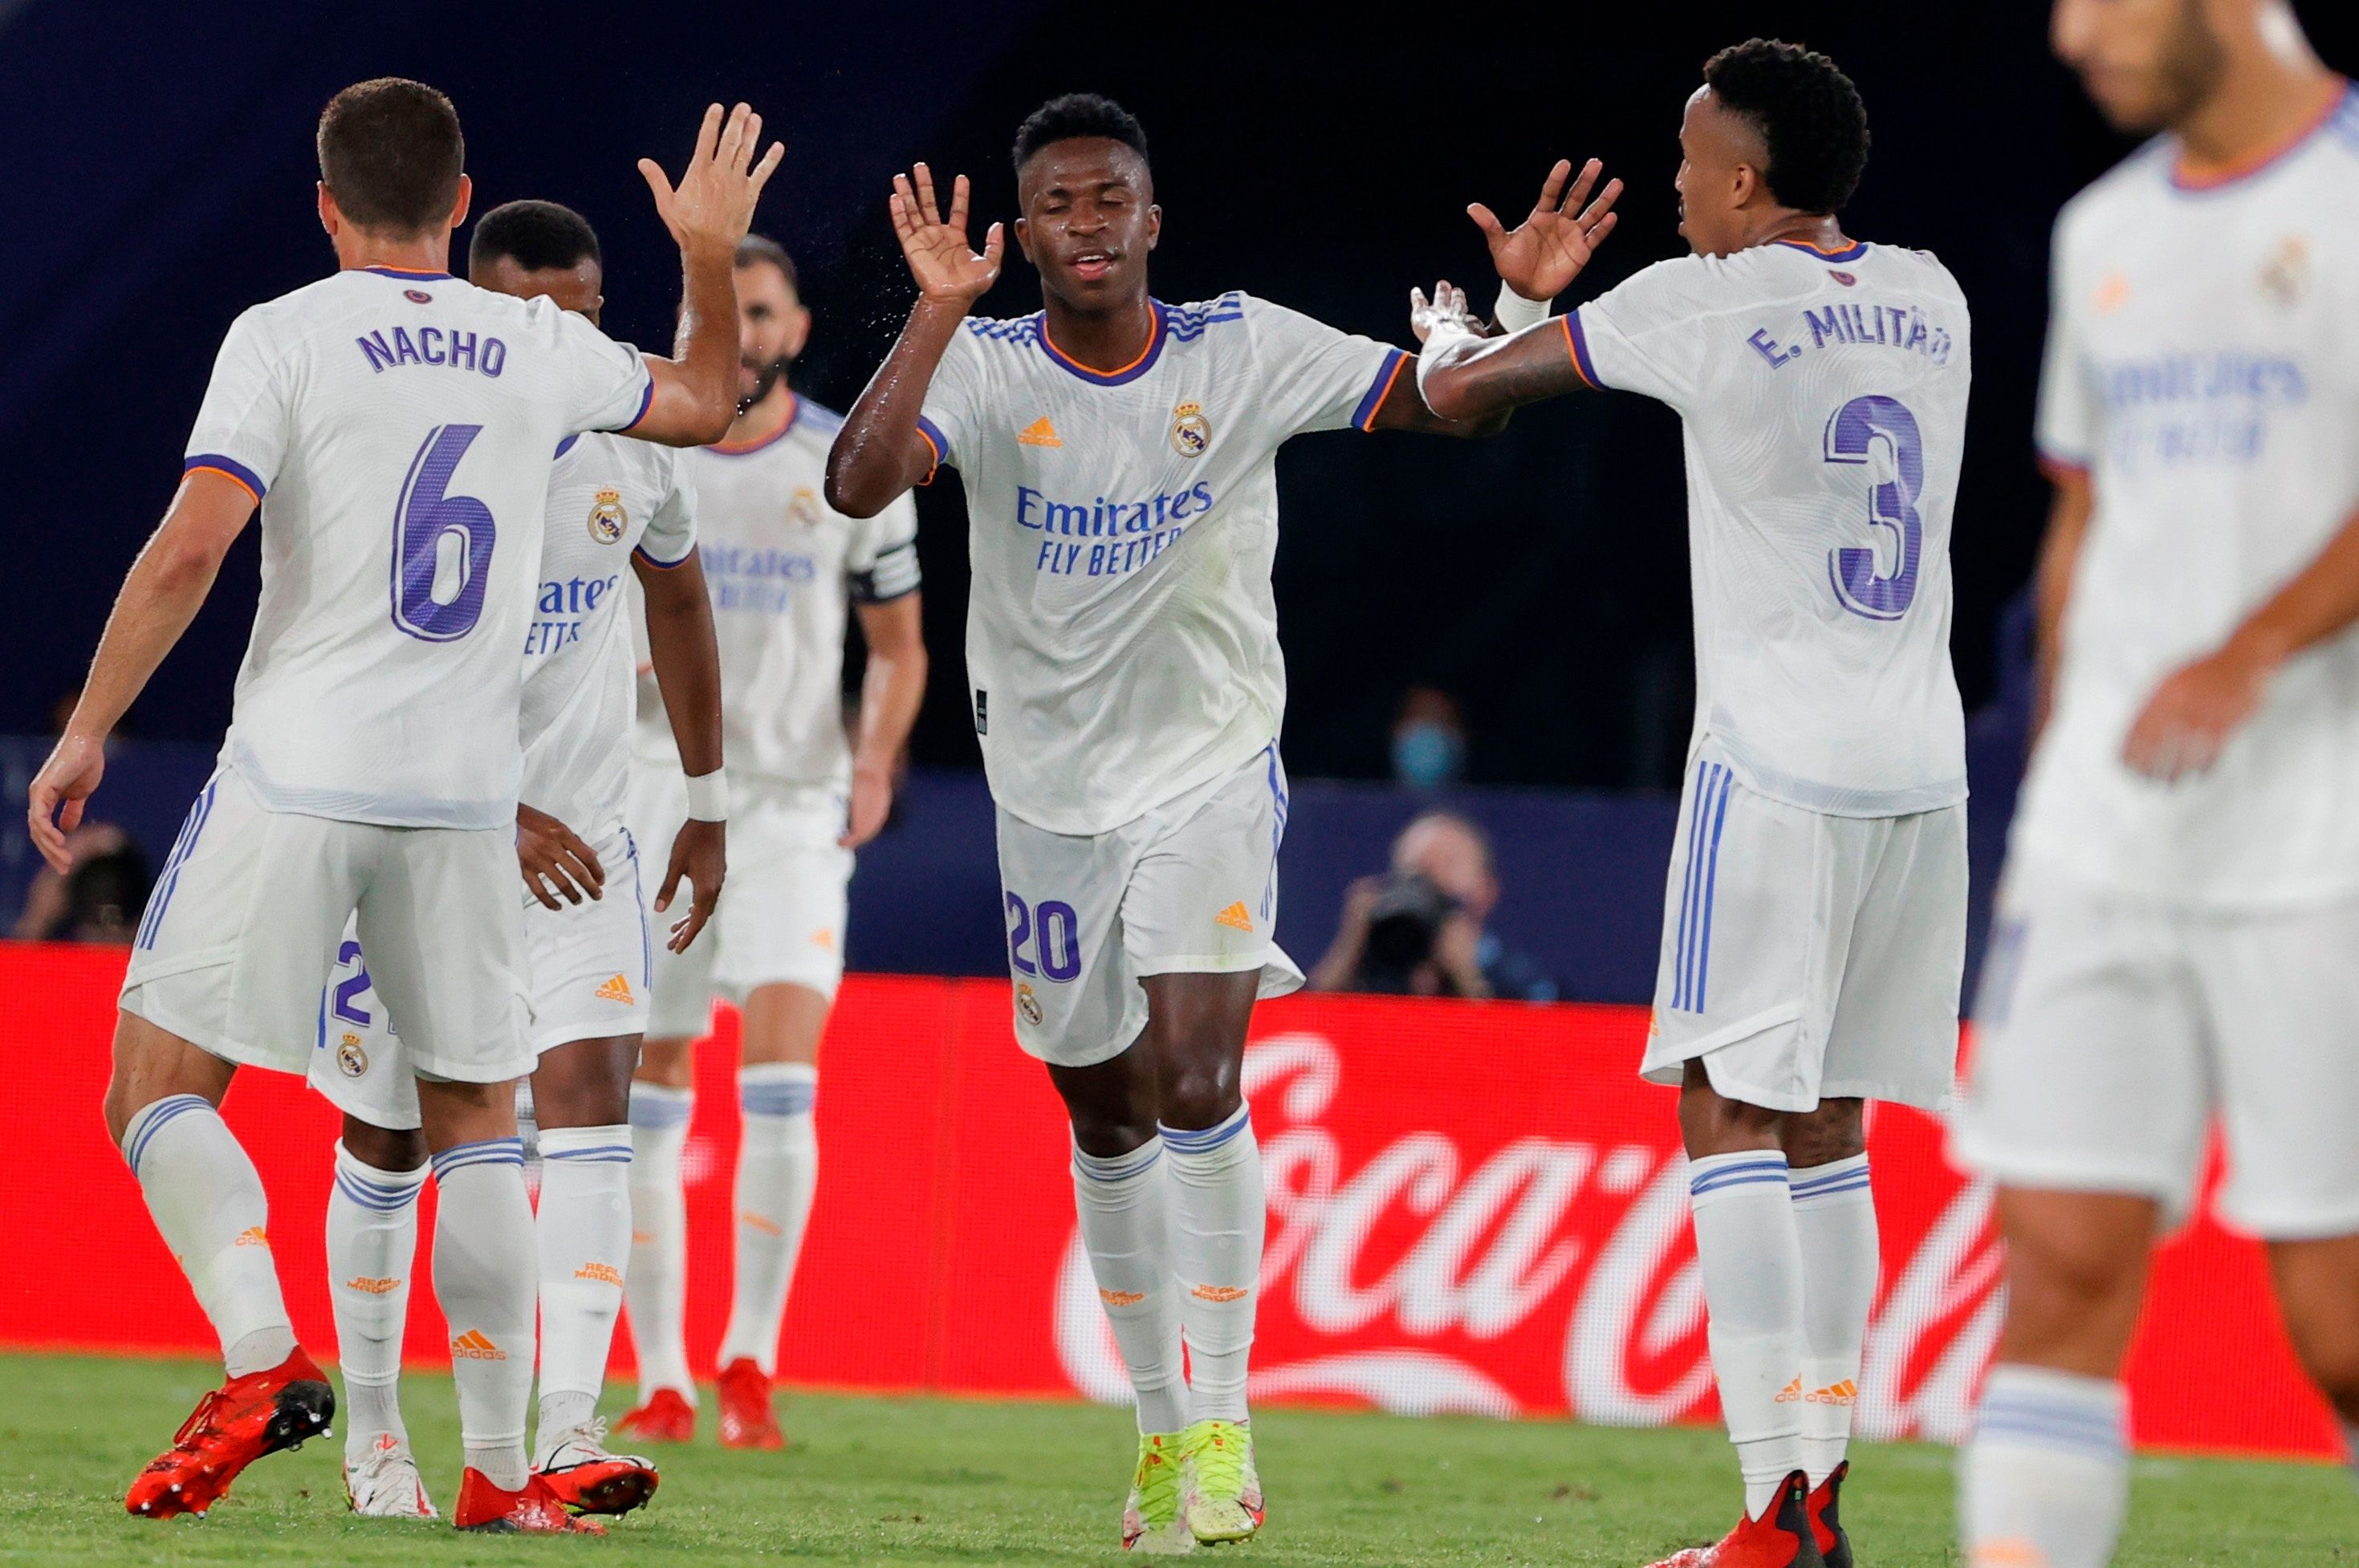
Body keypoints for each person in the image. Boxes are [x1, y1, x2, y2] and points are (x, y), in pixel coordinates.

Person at [23, 79, 773, 1530]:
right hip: (461, 797)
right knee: (477, 1120)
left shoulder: (282, 334)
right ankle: (499, 1466)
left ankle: (257, 1353)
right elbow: (702, 402)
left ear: (323, 204)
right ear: (457, 197)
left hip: (299, 772)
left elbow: (189, 548)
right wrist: (704, 251)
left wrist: (92, 727)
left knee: (153, 1087)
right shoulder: (534, 345)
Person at [824, 92, 1501, 1555]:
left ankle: (1227, 1429)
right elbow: (855, 482)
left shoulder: (1238, 347)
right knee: (1103, 1105)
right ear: (1023, 231)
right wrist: (936, 315)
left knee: (1197, 1076)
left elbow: (1432, 396)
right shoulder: (990, 368)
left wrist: (1502, 317)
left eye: (1108, 198)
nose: (1084, 224)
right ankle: (1152, 1429)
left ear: (1150, 219)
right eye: (1057, 203)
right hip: (1048, 795)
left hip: (1205, 765)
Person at [1419, 39, 1971, 1568]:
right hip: (1918, 766)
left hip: (1775, 762)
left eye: (1682, 163)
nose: (1667, 189)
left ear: (1740, 179)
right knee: (1828, 1119)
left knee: (1722, 1101)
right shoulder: (1930, 291)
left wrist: (1521, 302)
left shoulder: (1701, 297)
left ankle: (1764, 1511)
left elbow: (1461, 401)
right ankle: (1823, 1499)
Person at [1953, 2, 2359, 1562]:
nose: (2066, 36)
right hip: (2098, 835)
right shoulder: (2099, 228)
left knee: (2333, 1321)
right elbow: (2081, 515)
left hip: (2311, 832)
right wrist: (2057, 752)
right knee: (2051, 1261)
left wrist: (2247, 646)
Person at [303, 198, 728, 1523]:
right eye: (524, 310)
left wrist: (706, 796)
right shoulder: (398, 449)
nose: (556, 333)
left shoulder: (633, 445)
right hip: (408, 842)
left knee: (592, 1097)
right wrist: (493, 805)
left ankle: (561, 1432)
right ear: (472, 308)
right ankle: (376, 1440)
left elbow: (677, 596)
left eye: (582, 310)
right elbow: (344, 680)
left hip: (583, 848)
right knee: (384, 1137)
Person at [616, 234, 928, 1450]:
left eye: (759, 312)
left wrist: (874, 756)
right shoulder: (646, 456)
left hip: (793, 802)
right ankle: (661, 1375)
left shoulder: (845, 465)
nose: (741, 333)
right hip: (654, 786)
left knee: (781, 1070)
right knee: (650, 1079)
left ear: (795, 327)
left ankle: (750, 1356)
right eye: (722, 312)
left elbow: (899, 645)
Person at [1308, 810, 1558, 1001]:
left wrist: (1467, 980)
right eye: (1416, 868)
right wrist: (1349, 947)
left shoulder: (1519, 980)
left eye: (1448, 864)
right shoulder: (1373, 976)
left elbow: (1530, 1054)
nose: (1430, 881)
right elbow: (1306, 1035)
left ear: (1486, 890)